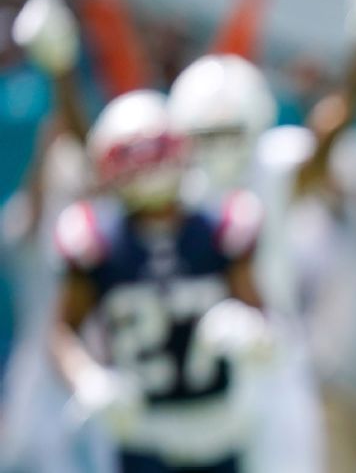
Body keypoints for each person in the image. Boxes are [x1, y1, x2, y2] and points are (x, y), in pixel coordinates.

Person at [48, 90, 272, 472]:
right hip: (142, 434)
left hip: (217, 427)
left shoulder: (220, 228)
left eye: (154, 151)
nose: (148, 167)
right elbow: (61, 331)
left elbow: (262, 318)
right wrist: (86, 378)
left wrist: (253, 332)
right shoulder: (96, 239)